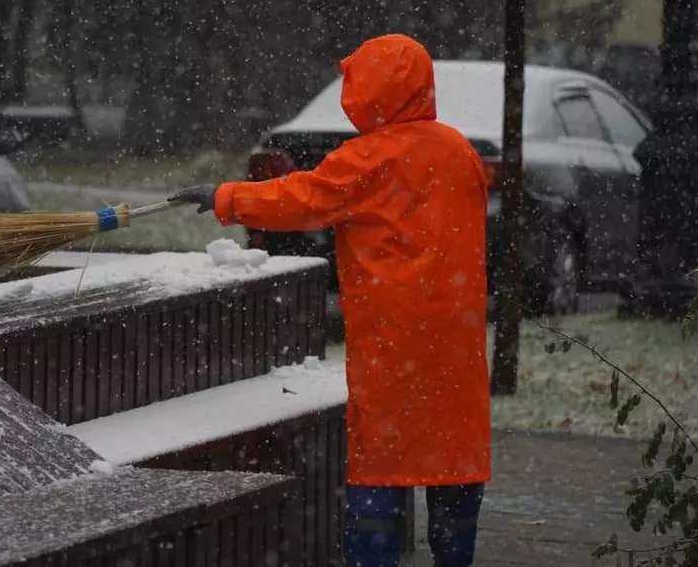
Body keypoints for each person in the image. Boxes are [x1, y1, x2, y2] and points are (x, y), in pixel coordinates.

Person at [168, 33, 492, 567]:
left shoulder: (367, 158)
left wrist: (225, 197)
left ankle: (374, 557)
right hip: (455, 340)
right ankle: (455, 555)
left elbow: (300, 199)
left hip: (392, 342)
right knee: (454, 457)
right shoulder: (460, 152)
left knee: (384, 462)